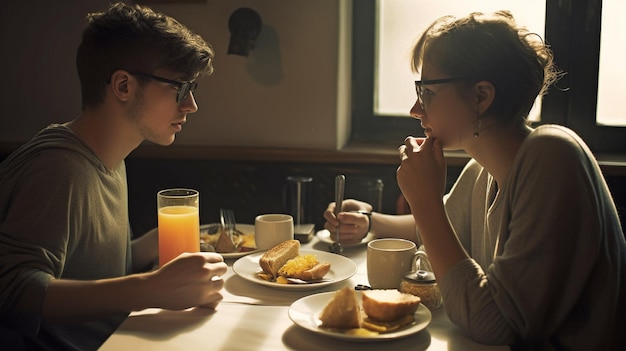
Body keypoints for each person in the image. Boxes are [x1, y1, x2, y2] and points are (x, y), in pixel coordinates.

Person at [324, 11, 626, 349]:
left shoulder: (553, 156)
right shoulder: (480, 172)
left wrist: (425, 200)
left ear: (481, 96)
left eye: (427, 92)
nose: (415, 109)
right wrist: (369, 222)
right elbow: (438, 233)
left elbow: (496, 326)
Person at [0, 3, 227, 350]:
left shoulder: (110, 157)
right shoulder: (60, 167)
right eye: (180, 88)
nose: (191, 105)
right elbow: (14, 290)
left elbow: (92, 271)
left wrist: (152, 244)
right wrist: (150, 288)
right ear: (123, 86)